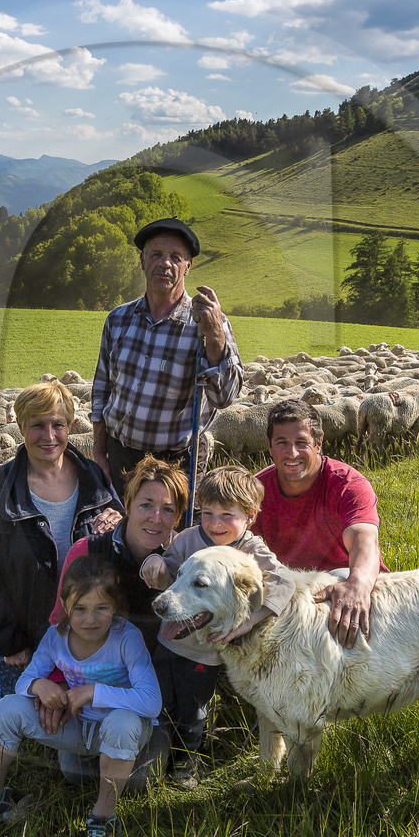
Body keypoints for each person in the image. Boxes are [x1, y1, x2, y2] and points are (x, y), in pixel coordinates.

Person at [0, 554, 161, 837]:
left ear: (116, 608)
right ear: (66, 608)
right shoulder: (56, 637)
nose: (90, 619)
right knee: (7, 709)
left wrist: (94, 691)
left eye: (102, 609)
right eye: (80, 609)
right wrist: (39, 686)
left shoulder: (127, 638)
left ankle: (103, 819)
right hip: (77, 725)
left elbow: (151, 701)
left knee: (123, 722)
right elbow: (25, 681)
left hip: (120, 731)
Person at [140, 464, 296, 787]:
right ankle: (159, 752)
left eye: (227, 515)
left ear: (250, 516)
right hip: (169, 642)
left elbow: (283, 580)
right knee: (161, 700)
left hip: (205, 654)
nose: (214, 524)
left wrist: (252, 620)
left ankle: (186, 760)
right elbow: (169, 566)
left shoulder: (251, 550)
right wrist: (153, 563)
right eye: (207, 513)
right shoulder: (187, 540)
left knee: (194, 709)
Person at [0, 380, 120, 700]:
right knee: (28, 712)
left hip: (89, 632)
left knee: (86, 711)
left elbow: (124, 550)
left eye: (57, 425)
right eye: (37, 425)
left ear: (71, 426)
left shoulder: (93, 479)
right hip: (28, 636)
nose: (49, 437)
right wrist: (9, 641)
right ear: (21, 426)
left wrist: (120, 524)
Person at [90, 216, 243, 488]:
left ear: (188, 266)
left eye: (176, 256)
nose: (165, 263)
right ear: (142, 260)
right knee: (116, 528)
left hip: (176, 464)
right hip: (120, 458)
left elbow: (224, 398)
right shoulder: (118, 319)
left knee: (174, 532)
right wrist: (99, 453)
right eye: (156, 254)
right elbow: (102, 390)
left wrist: (215, 335)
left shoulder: (207, 323)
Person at [251, 399, 386, 649]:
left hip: (341, 578)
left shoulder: (347, 484)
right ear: (269, 446)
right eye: (282, 443)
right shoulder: (256, 490)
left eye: (301, 443)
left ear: (318, 444)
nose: (292, 453)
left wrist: (357, 585)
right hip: (289, 586)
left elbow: (363, 539)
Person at [54, 455, 187, 654]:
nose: (156, 519)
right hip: (95, 668)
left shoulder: (186, 560)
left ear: (178, 517)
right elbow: (59, 621)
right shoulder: (88, 551)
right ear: (127, 505)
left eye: (168, 509)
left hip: (159, 672)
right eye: (146, 505)